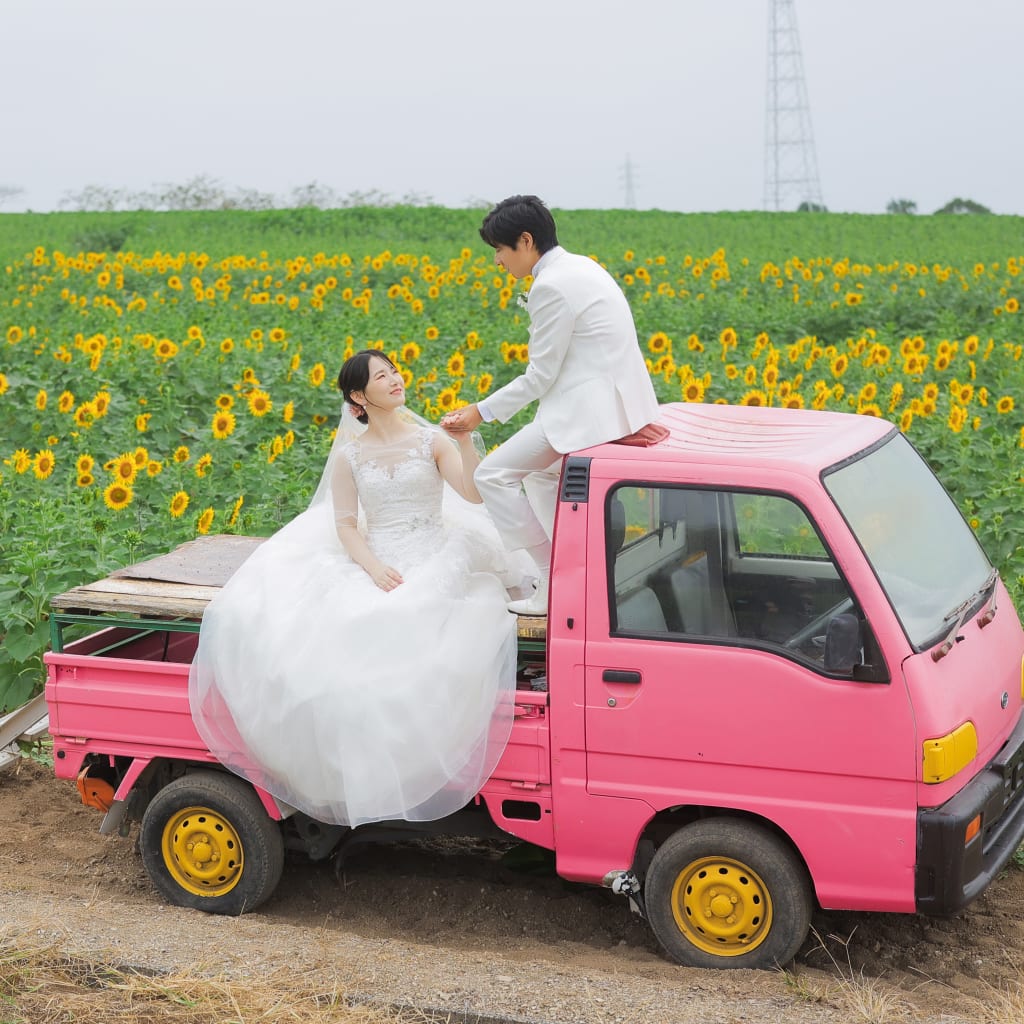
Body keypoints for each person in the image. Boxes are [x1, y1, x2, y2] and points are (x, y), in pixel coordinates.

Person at [189, 350, 521, 829]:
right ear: (359, 397)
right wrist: (372, 566)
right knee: (327, 644)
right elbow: (346, 524)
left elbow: (470, 493)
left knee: (408, 629)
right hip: (377, 555)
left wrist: (465, 442)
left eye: (395, 371)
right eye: (381, 376)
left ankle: (402, 755)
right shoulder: (351, 455)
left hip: (433, 552)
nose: (395, 379)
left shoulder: (431, 441)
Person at [441, 195, 661, 615]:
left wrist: (479, 411)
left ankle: (552, 579)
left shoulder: (550, 286)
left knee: (493, 474)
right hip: (614, 402)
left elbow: (539, 376)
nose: (498, 262)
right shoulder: (582, 266)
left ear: (525, 241)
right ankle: (565, 571)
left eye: (500, 251)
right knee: (540, 476)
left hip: (587, 412)